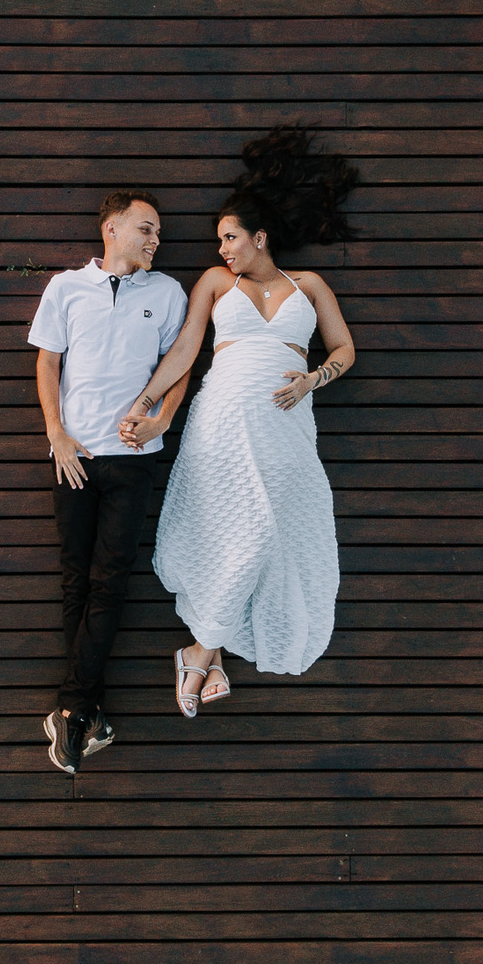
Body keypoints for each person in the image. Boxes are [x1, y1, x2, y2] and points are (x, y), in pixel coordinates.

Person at [119, 128, 356, 713]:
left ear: (259, 237)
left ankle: (199, 653)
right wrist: (147, 403)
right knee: (234, 536)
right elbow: (185, 350)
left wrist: (313, 379)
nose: (222, 248)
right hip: (222, 424)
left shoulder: (310, 286)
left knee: (272, 536)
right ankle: (207, 654)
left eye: (229, 238)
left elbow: (344, 349)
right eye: (218, 240)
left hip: (286, 428)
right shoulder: (216, 282)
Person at [29, 190, 190, 773]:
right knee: (77, 579)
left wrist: (163, 419)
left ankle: (73, 708)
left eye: (158, 233)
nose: (155, 240)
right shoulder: (66, 288)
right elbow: (48, 361)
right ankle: (83, 711)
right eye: (146, 228)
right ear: (112, 229)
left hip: (134, 458)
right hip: (74, 456)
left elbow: (179, 366)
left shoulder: (168, 293)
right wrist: (56, 432)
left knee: (110, 581)